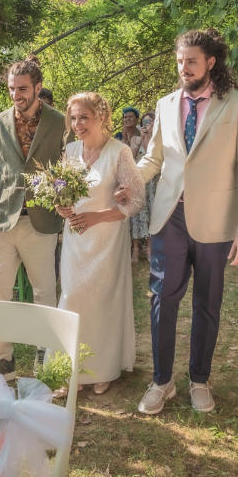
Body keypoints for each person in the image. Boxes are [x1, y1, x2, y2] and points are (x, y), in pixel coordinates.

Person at [120, 28, 238, 415]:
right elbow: (153, 160)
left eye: (191, 62)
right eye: (180, 61)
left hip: (217, 221)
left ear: (210, 62)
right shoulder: (166, 103)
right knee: (162, 300)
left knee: (207, 304)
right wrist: (128, 181)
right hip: (170, 216)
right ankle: (161, 382)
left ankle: (200, 380)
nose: (184, 68)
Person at [0, 57, 67, 381]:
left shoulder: (58, 121)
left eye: (22, 89)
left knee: (44, 291)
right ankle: (2, 360)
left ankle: (46, 353)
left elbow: (68, 168)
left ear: (38, 87)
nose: (16, 95)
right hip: (2, 221)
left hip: (41, 220)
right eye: (12, 88)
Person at [55, 92, 144, 395]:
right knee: (72, 297)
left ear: (101, 118)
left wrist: (96, 217)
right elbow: (61, 194)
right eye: (74, 117)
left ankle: (102, 368)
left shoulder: (119, 152)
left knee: (102, 302)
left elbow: (136, 201)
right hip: (75, 239)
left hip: (106, 238)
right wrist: (61, 208)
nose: (77, 123)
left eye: (84, 117)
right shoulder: (69, 151)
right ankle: (71, 369)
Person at [128, 111, 155, 263]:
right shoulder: (135, 138)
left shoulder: (157, 141)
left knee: (151, 214)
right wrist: (140, 141)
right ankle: (136, 249)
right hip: (137, 180)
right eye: (144, 122)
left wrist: (149, 138)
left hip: (152, 183)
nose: (146, 124)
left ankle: (150, 248)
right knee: (137, 214)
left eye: (149, 122)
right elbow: (130, 158)